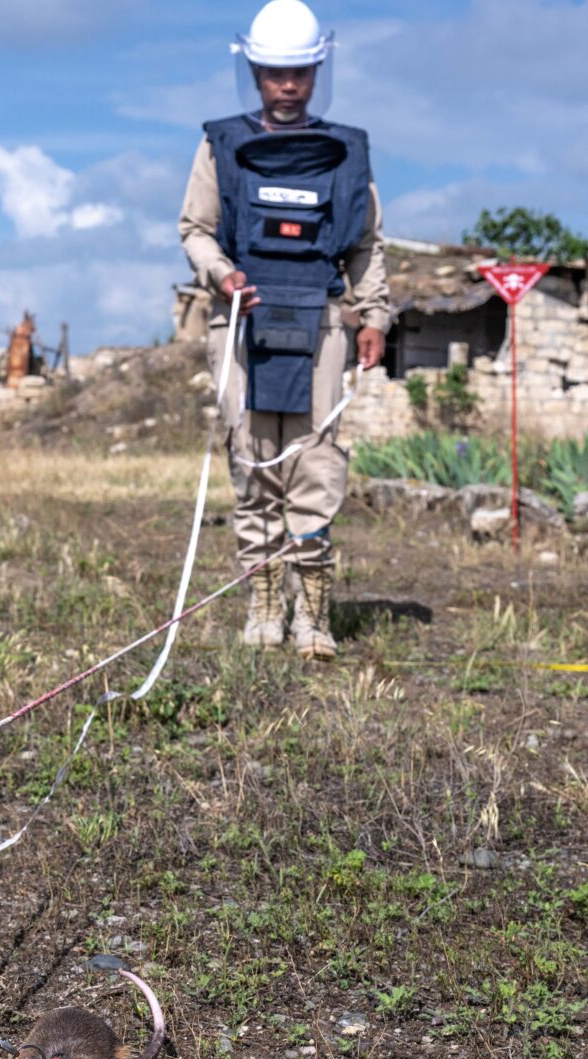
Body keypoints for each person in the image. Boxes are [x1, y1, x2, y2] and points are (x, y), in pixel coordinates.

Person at [178, 0, 388, 661]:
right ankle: (264, 602)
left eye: (299, 72)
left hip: (322, 321)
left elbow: (365, 242)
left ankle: (314, 616)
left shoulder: (346, 153)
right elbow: (196, 228)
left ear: (317, 70)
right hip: (241, 319)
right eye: (274, 73)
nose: (287, 85)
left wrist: (375, 314)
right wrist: (220, 274)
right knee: (251, 456)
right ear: (256, 72)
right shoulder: (222, 145)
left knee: (314, 458)